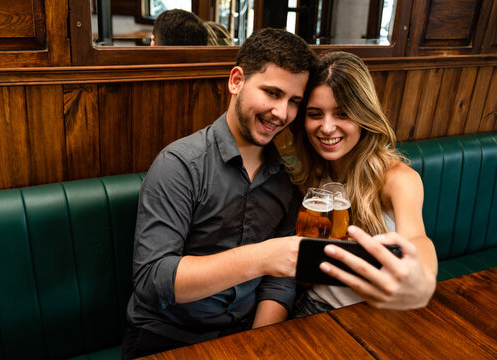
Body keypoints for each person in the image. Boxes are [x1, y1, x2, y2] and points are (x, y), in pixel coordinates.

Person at [122, 28, 316, 359]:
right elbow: (154, 280)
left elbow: (279, 282)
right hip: (167, 335)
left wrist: (258, 346)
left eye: (293, 101)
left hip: (244, 333)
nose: (282, 113)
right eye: (272, 93)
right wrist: (261, 258)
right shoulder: (180, 164)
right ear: (236, 81)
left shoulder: (288, 176)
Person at [284, 51, 438, 316]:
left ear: (364, 115)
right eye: (315, 113)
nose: (327, 127)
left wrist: (423, 280)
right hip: (311, 307)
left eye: (342, 113)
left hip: (376, 313)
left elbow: (417, 238)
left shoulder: (398, 178)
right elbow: (305, 273)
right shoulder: (310, 174)